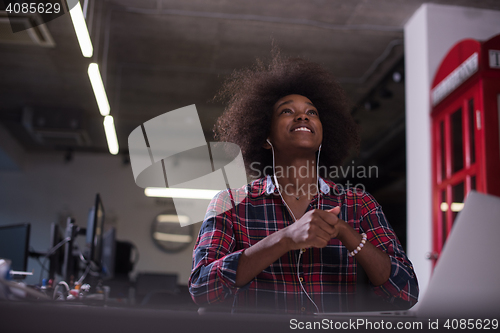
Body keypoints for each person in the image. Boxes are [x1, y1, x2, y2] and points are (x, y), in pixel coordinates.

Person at [188, 52, 418, 314]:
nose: (302, 116)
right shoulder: (230, 203)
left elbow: (406, 292)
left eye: (312, 112)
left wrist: (346, 232)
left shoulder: (359, 203)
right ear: (265, 136)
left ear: (323, 133)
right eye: (287, 111)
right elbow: (202, 289)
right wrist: (285, 238)